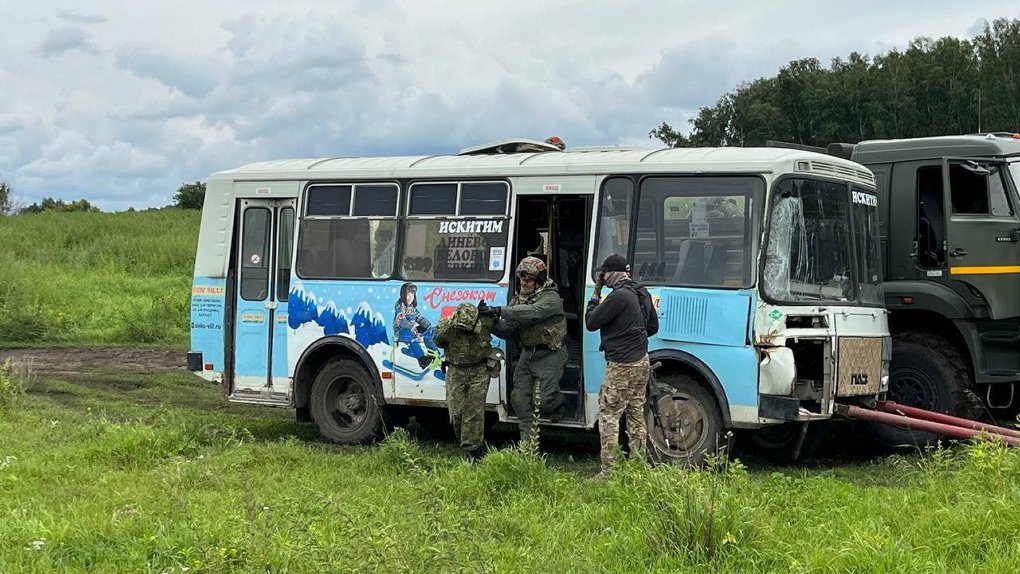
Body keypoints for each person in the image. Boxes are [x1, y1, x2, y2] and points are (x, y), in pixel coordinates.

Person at [479, 256, 567, 444]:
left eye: (528, 279)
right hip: (528, 354)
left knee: (543, 401)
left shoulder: (551, 298)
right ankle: (527, 443)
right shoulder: (518, 300)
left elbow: (533, 312)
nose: (524, 282)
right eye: (521, 279)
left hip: (550, 353)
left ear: (539, 280)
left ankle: (557, 405)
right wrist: (490, 320)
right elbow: (508, 330)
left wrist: (499, 310)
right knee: (518, 398)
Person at [585, 254, 657, 479]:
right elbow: (653, 327)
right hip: (641, 361)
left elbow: (590, 322)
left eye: (604, 274)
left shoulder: (618, 297)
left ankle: (608, 472)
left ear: (613, 273)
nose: (602, 278)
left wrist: (595, 294)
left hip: (622, 365)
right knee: (636, 414)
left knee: (609, 416)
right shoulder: (640, 292)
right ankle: (638, 466)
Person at [434, 303, 502, 463]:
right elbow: (438, 341)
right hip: (457, 371)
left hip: (479, 370)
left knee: (474, 412)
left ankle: (475, 450)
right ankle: (470, 444)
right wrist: (451, 327)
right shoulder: (448, 325)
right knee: (456, 413)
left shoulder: (485, 321)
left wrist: (495, 312)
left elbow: (506, 329)